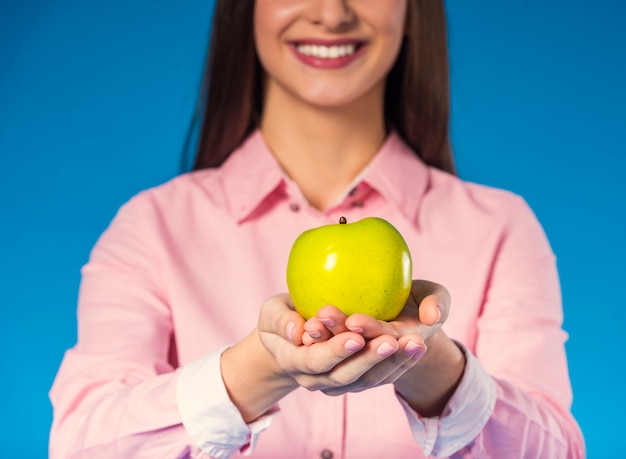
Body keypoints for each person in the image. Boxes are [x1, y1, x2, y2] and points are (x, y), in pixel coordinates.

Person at [49, 0, 586, 457]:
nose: (332, 14)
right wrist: (257, 368)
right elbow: (79, 443)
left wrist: (436, 370)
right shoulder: (151, 226)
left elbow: (559, 447)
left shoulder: (501, 227)